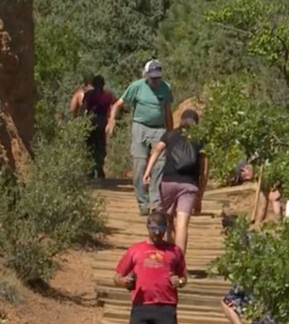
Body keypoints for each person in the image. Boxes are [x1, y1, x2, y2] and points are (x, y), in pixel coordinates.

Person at [106, 60, 174, 215]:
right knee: (139, 165)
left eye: (158, 77)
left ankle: (156, 202)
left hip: (159, 129)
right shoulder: (137, 87)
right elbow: (117, 104)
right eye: (152, 77)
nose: (155, 80)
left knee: (159, 165)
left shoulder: (166, 88)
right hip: (140, 127)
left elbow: (167, 111)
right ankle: (143, 203)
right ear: (146, 75)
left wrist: (171, 133)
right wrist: (112, 120)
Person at [143, 109, 207, 255]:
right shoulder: (201, 139)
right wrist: (200, 197)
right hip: (189, 185)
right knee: (182, 225)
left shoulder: (171, 134)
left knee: (169, 221)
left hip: (168, 181)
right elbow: (204, 171)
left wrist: (148, 172)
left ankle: (169, 257)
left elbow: (157, 150)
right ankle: (179, 262)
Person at [81, 75, 115, 179]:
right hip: (101, 121)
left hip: (90, 121)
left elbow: (84, 107)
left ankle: (90, 169)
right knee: (100, 145)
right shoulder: (107, 96)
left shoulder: (88, 95)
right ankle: (99, 167)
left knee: (89, 145)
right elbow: (112, 106)